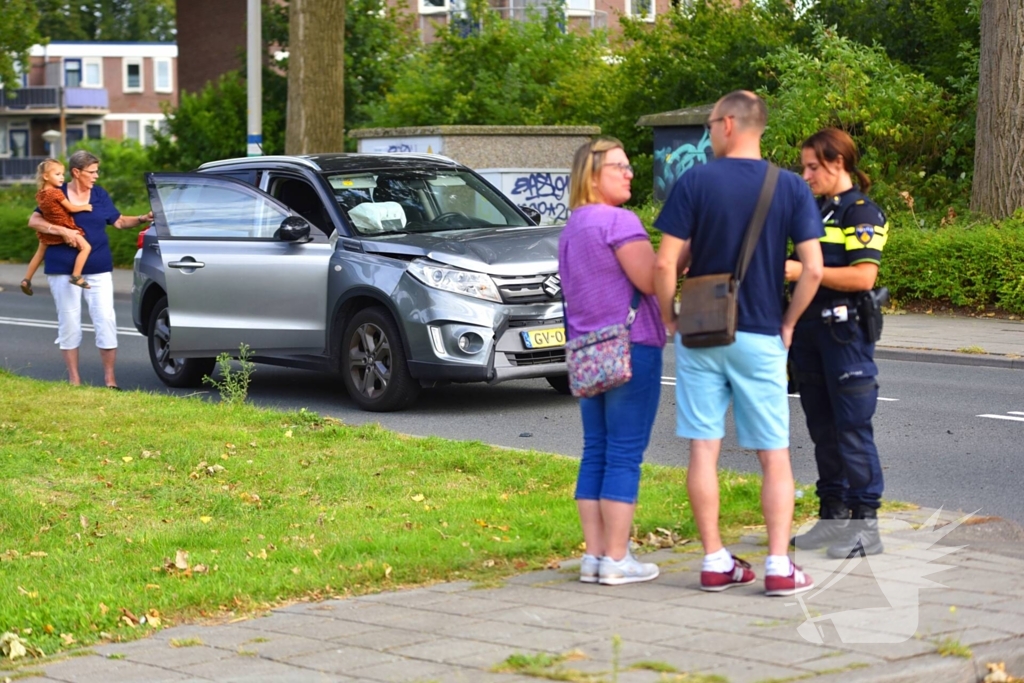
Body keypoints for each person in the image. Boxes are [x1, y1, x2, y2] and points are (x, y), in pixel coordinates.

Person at [653, 91, 824, 597]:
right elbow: (812, 268)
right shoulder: (790, 186)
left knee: (703, 449)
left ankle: (713, 561)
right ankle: (776, 566)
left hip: (702, 330)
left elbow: (666, 263)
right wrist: (789, 322)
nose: (708, 134)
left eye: (710, 125)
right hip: (759, 332)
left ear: (729, 123)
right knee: (774, 454)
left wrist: (670, 318)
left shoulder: (695, 182)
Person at [559, 137, 665, 586]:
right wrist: (680, 257)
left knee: (596, 451)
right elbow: (651, 280)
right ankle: (618, 560)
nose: (630, 173)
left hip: (587, 352)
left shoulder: (572, 227)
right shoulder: (620, 222)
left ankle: (595, 556)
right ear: (593, 174)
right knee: (624, 453)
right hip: (631, 345)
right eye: (619, 167)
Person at [787, 128, 888, 559]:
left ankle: (866, 526)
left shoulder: (860, 213)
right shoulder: (812, 211)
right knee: (822, 430)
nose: (806, 175)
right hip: (809, 332)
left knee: (851, 430)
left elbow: (864, 277)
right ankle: (833, 515)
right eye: (804, 166)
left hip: (844, 334)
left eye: (813, 166)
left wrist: (803, 272)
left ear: (838, 163)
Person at [26, 149, 153, 390]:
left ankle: (110, 381)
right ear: (76, 172)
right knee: (69, 321)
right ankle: (74, 381)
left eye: (97, 171)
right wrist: (61, 230)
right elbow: (34, 221)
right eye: (92, 172)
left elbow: (117, 221)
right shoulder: (55, 193)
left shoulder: (99, 195)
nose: (96, 176)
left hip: (98, 268)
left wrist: (142, 217)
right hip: (62, 269)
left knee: (105, 319)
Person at [21, 159, 94, 295]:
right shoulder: (56, 193)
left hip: (49, 229)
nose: (62, 177)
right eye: (57, 174)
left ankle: (26, 279)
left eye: (62, 174)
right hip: (63, 226)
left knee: (39, 254)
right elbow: (71, 208)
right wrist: (84, 206)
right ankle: (76, 275)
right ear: (46, 176)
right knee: (86, 247)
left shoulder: (40, 194)